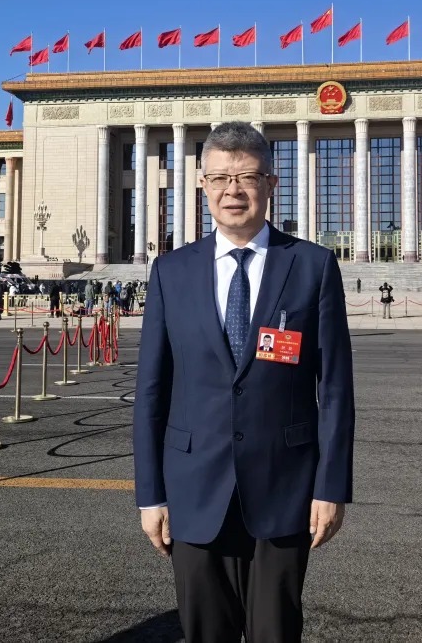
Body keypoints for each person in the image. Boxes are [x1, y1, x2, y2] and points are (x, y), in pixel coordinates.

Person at [134, 122, 355, 643]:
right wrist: (150, 495)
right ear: (202, 185)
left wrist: (331, 487)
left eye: (247, 177)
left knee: (276, 632)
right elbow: (151, 392)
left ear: (271, 183)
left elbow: (336, 389)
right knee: (205, 632)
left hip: (284, 486)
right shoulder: (171, 272)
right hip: (193, 487)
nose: (232, 190)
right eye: (219, 178)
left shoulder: (312, 266)